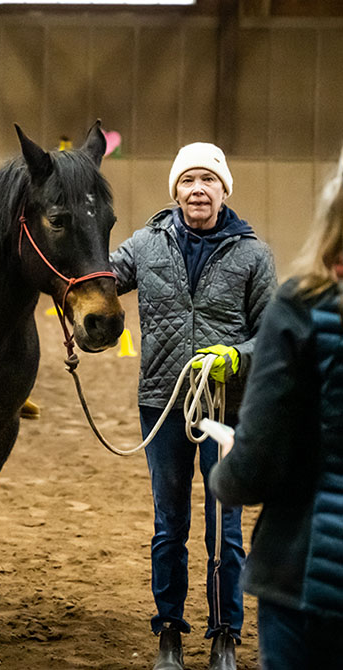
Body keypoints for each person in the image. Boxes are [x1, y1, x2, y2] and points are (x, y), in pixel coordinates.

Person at [110, 142, 276, 670]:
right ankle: (169, 632)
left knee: (224, 526)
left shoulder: (254, 256)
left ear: (224, 189)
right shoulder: (144, 245)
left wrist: (235, 355)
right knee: (169, 523)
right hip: (162, 405)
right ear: (175, 190)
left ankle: (226, 634)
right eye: (188, 181)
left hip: (225, 407)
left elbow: (271, 335)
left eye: (208, 180)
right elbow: (95, 282)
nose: (198, 189)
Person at [209, 159, 343, 669]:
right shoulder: (153, 240)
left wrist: (234, 456)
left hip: (309, 572)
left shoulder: (303, 305)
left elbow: (254, 467)